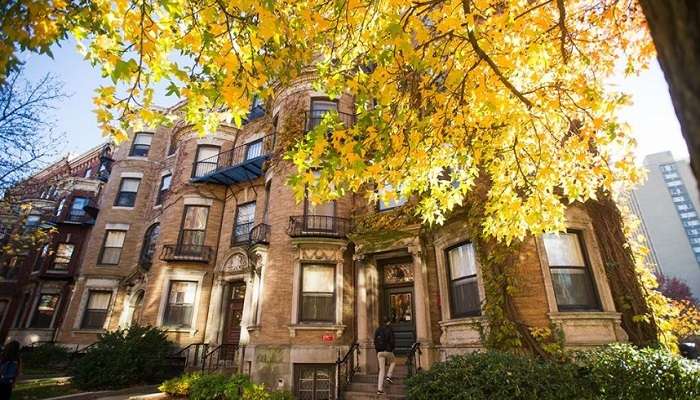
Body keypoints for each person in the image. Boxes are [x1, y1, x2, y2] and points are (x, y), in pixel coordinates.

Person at [374, 317, 396, 395]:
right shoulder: (389, 329)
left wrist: (377, 350)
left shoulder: (378, 329)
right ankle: (388, 376)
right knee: (393, 362)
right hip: (387, 351)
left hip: (379, 352)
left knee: (381, 370)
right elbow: (392, 341)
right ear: (389, 322)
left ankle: (379, 390)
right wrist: (392, 349)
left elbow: (375, 341)